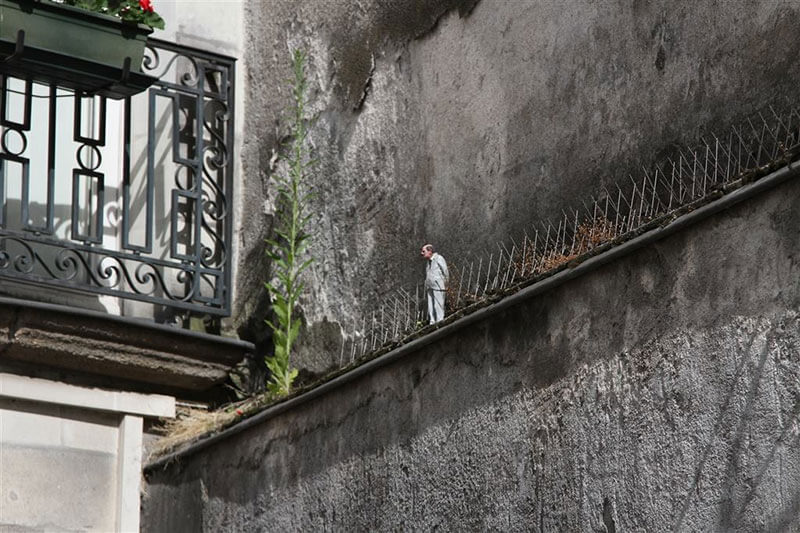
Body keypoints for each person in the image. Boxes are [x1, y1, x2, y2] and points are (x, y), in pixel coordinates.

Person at [421, 243, 449, 324]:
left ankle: (440, 319)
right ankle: (432, 321)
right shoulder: (428, 262)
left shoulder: (439, 258)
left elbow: (445, 271)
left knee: (438, 303)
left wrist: (446, 283)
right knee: (431, 304)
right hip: (430, 286)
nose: (422, 253)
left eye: (424, 251)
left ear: (430, 251)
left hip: (438, 285)